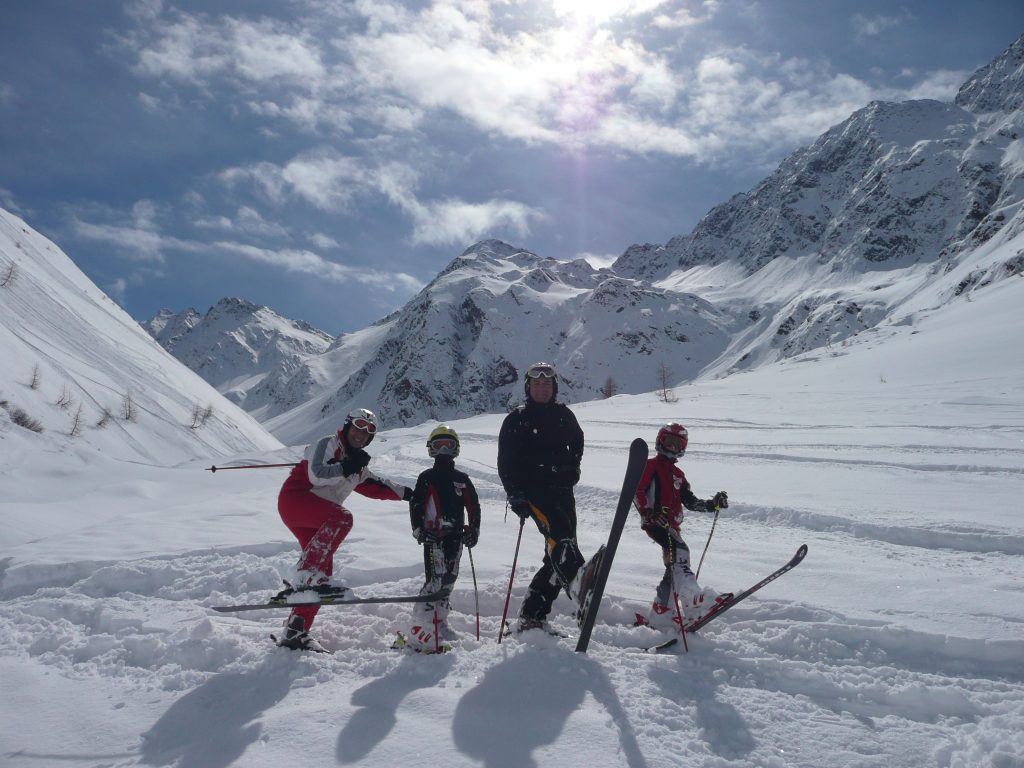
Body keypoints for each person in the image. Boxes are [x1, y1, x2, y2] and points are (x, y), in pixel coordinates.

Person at [275, 408, 413, 651]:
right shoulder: (328, 443)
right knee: (343, 519)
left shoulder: (358, 465)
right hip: (296, 500)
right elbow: (317, 473)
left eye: (369, 431)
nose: (362, 433)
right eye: (359, 426)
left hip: (318, 516)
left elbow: (376, 486)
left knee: (324, 570)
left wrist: (409, 494)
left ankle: (296, 630)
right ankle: (305, 574)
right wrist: (346, 466)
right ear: (348, 425)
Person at [497, 362, 597, 633]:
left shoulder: (564, 416)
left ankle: (532, 615)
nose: (542, 388)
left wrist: (573, 467)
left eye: (547, 384)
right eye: (537, 384)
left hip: (562, 490)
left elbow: (578, 441)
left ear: (554, 388)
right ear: (529, 387)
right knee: (561, 537)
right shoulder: (517, 419)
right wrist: (515, 493)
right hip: (534, 491)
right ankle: (578, 584)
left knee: (557, 551)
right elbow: (505, 461)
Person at [634, 423, 730, 631]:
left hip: (672, 526)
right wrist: (647, 512)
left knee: (673, 567)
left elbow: (691, 501)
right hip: (656, 522)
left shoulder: (678, 473)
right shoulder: (650, 466)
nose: (673, 446)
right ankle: (693, 600)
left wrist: (712, 504)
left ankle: (662, 612)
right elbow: (637, 490)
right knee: (681, 553)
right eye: (669, 441)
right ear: (660, 441)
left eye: (678, 444)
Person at [401, 425, 482, 652]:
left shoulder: (462, 479)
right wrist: (418, 530)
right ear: (431, 449)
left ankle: (439, 622)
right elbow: (416, 505)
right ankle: (420, 627)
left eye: (449, 445)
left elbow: (474, 506)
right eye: (439, 445)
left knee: (449, 580)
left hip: (456, 538)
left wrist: (473, 530)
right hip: (433, 537)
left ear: (456, 449)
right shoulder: (426, 477)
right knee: (434, 581)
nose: (444, 449)